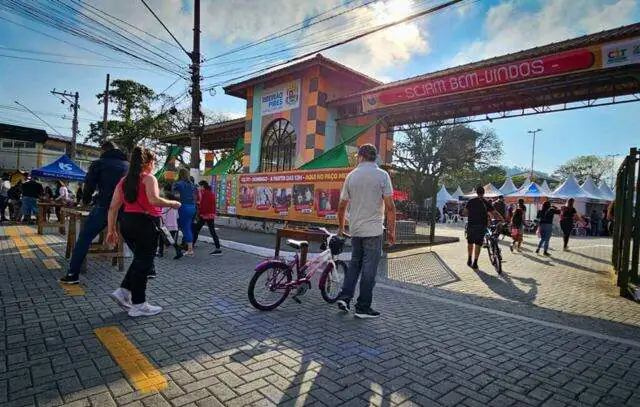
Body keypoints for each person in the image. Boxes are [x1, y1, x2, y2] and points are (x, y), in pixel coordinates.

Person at [106, 147, 180, 317]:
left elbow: (112, 208)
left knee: (139, 260)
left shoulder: (123, 181)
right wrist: (172, 204)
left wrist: (111, 230)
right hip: (146, 223)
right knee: (144, 264)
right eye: (153, 162)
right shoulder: (149, 179)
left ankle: (123, 291)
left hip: (127, 223)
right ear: (147, 163)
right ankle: (139, 304)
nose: (154, 166)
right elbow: (154, 200)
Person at [335, 144, 396, 319]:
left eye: (356, 156)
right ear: (374, 157)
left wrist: (341, 227)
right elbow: (390, 207)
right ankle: (362, 307)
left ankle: (345, 298)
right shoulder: (382, 175)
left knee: (355, 265)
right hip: (373, 231)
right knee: (369, 270)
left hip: (356, 230)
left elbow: (341, 206)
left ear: (361, 156)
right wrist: (392, 231)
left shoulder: (351, 176)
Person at [60, 141, 129, 284]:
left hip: (104, 207)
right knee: (133, 239)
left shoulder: (99, 163)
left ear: (103, 151)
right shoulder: (128, 165)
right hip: (126, 208)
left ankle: (73, 274)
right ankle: (149, 269)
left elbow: (89, 185)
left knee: (84, 238)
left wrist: (85, 201)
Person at [463, 186, 503, 269]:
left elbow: (465, 213)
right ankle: (475, 262)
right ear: (483, 193)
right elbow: (495, 213)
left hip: (471, 225)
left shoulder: (471, 201)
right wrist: (502, 219)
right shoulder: (486, 202)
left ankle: (469, 259)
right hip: (482, 226)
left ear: (476, 192)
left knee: (470, 243)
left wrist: (472, 213)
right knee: (478, 244)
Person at [191, 180, 222, 256]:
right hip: (211, 214)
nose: (199, 188)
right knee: (212, 231)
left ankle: (190, 247)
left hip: (204, 214)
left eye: (200, 186)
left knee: (196, 230)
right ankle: (218, 248)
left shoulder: (203, 193)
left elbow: (202, 204)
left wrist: (199, 212)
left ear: (203, 186)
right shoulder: (211, 193)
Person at [172, 168, 197, 255]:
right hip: (192, 208)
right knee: (187, 227)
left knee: (184, 228)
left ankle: (190, 250)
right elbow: (194, 197)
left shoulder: (178, 184)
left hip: (183, 207)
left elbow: (177, 196)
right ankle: (187, 247)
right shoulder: (192, 185)